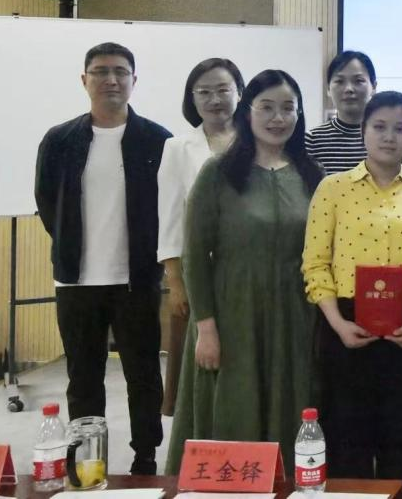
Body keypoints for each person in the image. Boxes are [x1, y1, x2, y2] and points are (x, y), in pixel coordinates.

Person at [167, 70, 324, 475]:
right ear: (247, 112)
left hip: (295, 315)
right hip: (232, 315)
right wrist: (206, 327)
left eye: (288, 108)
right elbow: (195, 255)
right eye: (266, 107)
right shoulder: (218, 173)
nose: (278, 118)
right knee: (235, 407)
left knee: (293, 406)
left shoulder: (313, 176)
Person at [34, 42, 171, 475]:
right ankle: (86, 460)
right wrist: (71, 244)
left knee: (143, 374)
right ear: (84, 80)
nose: (111, 79)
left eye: (120, 71)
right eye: (100, 71)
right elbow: (47, 202)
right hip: (76, 281)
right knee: (83, 377)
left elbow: (168, 206)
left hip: (136, 279)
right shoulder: (59, 140)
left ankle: (145, 457)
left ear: (134, 80)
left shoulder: (157, 139)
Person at [302, 91, 402, 495]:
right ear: (363, 131)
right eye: (379, 127)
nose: (389, 137)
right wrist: (338, 324)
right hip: (344, 324)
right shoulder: (332, 188)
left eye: (400, 129)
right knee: (347, 435)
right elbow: (316, 264)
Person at [156, 57, 244, 417]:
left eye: (223, 89)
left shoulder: (258, 141)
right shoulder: (178, 147)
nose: (214, 99)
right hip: (198, 274)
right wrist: (175, 281)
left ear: (240, 93)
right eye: (204, 92)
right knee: (200, 363)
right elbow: (170, 217)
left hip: (245, 272)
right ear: (192, 99)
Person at [305, 50, 376, 173]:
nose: (349, 89)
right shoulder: (312, 141)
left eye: (358, 81)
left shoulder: (385, 138)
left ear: (374, 87)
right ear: (328, 89)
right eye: (339, 81)